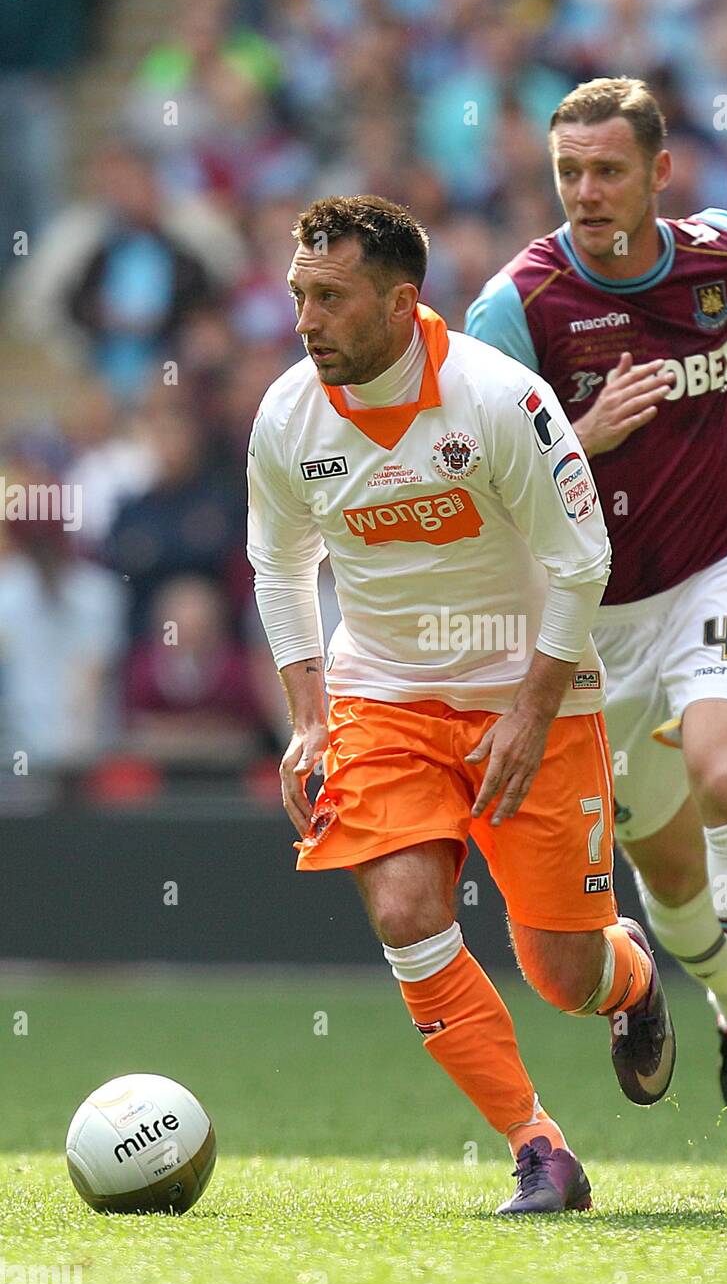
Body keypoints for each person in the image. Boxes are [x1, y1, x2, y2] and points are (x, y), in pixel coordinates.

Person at [247, 194, 675, 1214]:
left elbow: (583, 562)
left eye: (331, 298)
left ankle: (631, 977)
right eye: (299, 293)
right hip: (381, 696)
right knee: (404, 909)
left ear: (401, 303)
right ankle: (538, 1147)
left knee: (560, 973)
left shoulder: (498, 400)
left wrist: (528, 716)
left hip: (533, 693)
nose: (304, 319)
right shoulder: (286, 415)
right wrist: (310, 715)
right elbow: (280, 560)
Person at [466, 77, 727, 1151]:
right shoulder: (518, 305)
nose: (585, 192)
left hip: (719, 570)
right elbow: (480, 486)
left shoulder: (715, 252)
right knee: (672, 872)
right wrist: (578, 437)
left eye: (608, 171)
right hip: (597, 627)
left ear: (657, 175)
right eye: (568, 173)